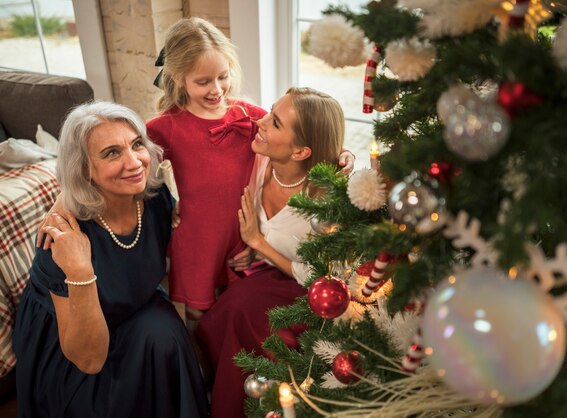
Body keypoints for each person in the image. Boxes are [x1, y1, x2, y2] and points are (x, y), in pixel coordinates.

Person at [147, 17, 354, 328]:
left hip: (241, 234)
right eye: (203, 82)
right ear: (178, 77)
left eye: (223, 77)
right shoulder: (166, 127)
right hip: (199, 237)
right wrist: (166, 206)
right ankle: (199, 365)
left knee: (232, 309)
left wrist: (344, 155)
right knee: (198, 314)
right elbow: (135, 162)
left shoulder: (249, 117)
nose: (216, 89)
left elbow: (306, 140)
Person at [13, 101, 208, 418]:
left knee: (166, 332)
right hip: (74, 344)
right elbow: (89, 360)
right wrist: (78, 268)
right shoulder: (60, 240)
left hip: (131, 309)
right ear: (85, 170)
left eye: (136, 145)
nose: (134, 163)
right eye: (112, 153)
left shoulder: (155, 198)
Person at [196, 87, 345, 418]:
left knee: (243, 310)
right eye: (270, 111)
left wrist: (257, 242)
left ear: (300, 151)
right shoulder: (260, 159)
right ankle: (216, 384)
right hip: (262, 274)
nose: (261, 121)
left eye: (275, 122)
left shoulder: (325, 200)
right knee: (231, 305)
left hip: (310, 293)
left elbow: (320, 277)